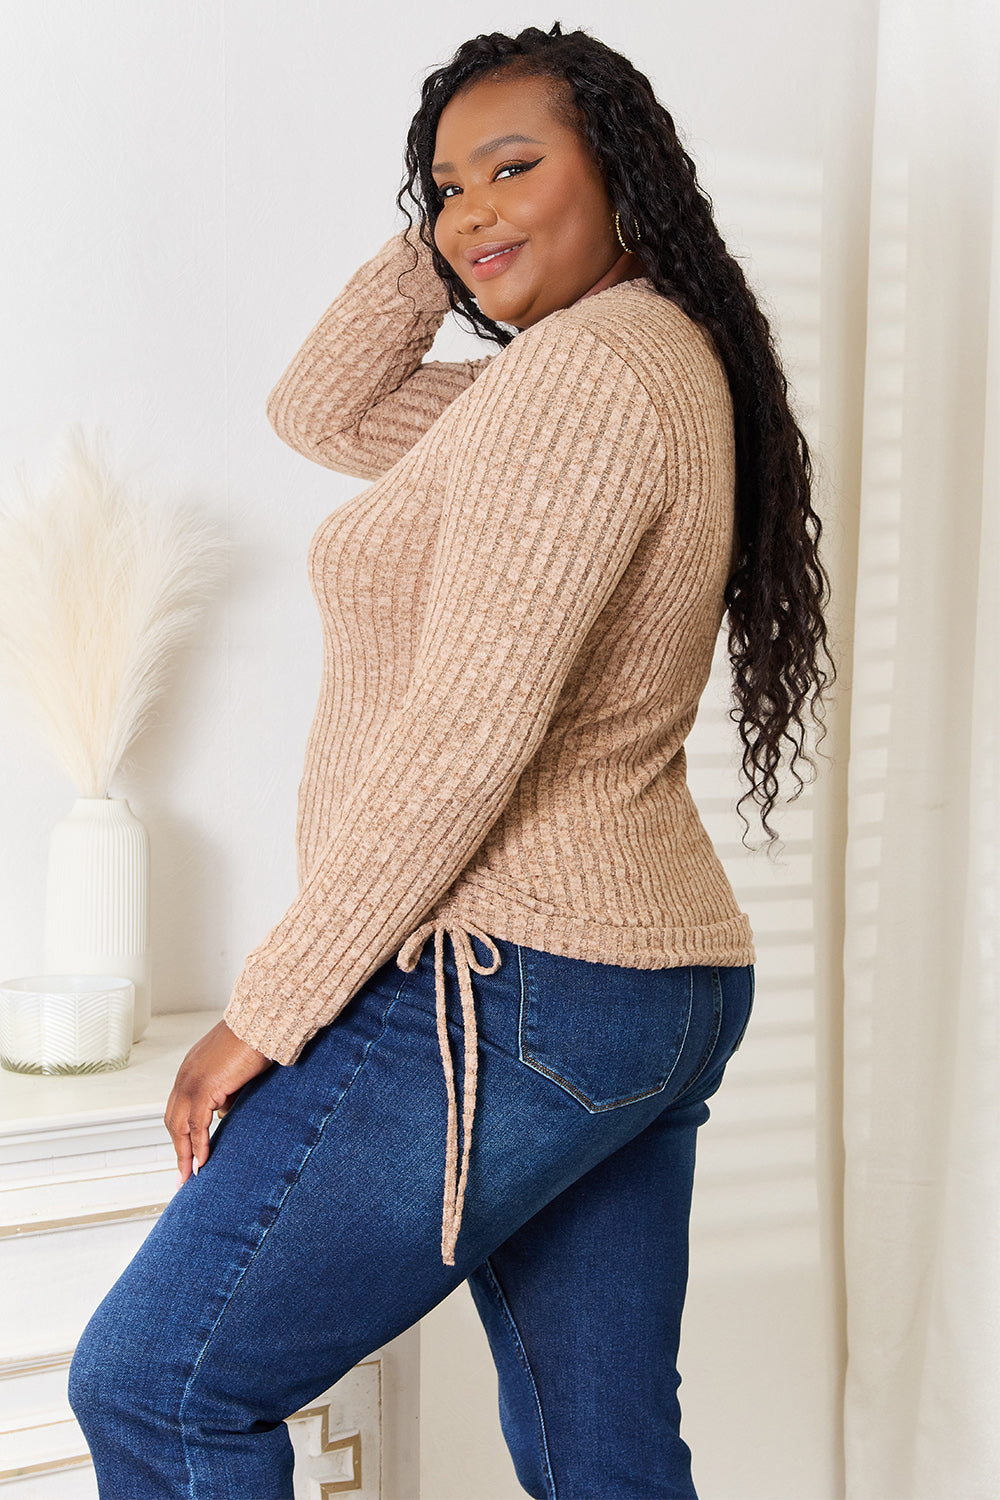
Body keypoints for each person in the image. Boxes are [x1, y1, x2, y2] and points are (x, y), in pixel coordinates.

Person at [69, 22, 833, 1500]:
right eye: (444, 187)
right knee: (603, 1453)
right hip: (641, 987)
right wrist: (453, 239)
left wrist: (268, 1010)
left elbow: (466, 739)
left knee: (161, 1391)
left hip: (521, 977)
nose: (472, 211)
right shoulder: (602, 377)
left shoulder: (587, 380)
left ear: (623, 169)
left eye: (516, 166)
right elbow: (324, 412)